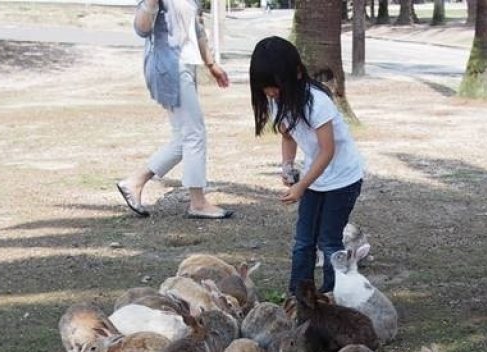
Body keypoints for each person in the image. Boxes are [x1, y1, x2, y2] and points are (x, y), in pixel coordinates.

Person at [248, 36, 363, 295]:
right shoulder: (279, 100)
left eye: (273, 86)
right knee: (303, 242)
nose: (270, 93)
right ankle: (299, 295)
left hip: (343, 180)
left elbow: (327, 151)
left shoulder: (318, 102)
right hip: (316, 178)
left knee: (329, 241)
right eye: (264, 87)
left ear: (296, 73)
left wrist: (301, 186)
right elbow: (288, 135)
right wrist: (287, 166)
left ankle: (335, 295)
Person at [116, 0, 232, 220]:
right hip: (170, 67)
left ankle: (134, 182)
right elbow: (141, 29)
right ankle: (198, 202)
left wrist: (211, 64)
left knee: (184, 138)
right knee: (194, 134)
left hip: (186, 66)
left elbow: (197, 28)